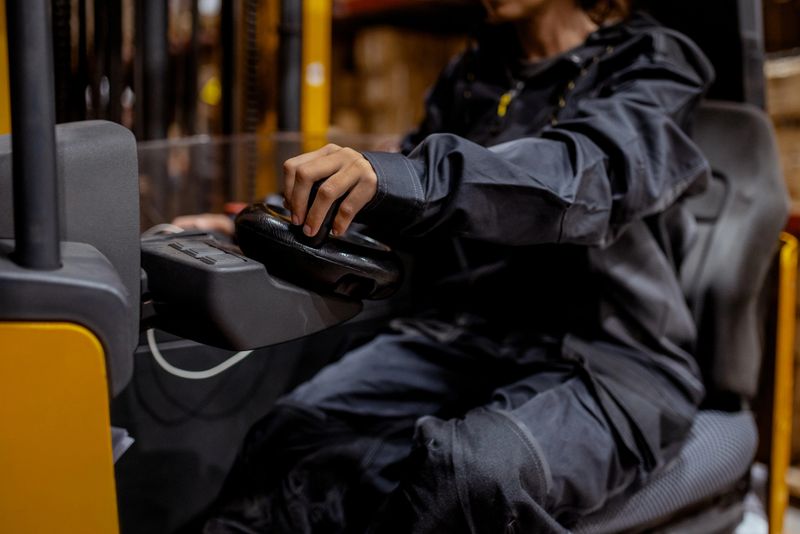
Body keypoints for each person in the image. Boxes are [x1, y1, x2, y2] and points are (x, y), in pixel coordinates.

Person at [200, 0, 715, 532]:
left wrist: (411, 177)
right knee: (290, 433)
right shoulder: (474, 73)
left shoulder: (652, 63)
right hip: (464, 339)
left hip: (605, 358)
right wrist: (270, 227)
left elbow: (582, 174)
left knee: (472, 473)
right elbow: (397, 208)